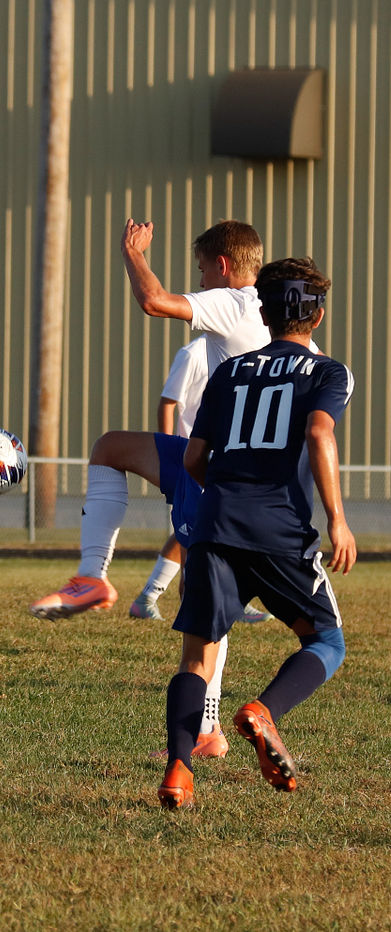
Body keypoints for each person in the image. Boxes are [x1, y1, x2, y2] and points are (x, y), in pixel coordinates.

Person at [30, 219, 271, 756]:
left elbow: (154, 300)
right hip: (208, 458)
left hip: (219, 472)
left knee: (204, 602)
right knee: (110, 448)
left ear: (223, 267)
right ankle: (91, 579)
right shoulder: (269, 315)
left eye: (202, 269)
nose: (200, 281)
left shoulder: (235, 302)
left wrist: (132, 252)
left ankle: (206, 731)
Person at [157, 257, 356, 810]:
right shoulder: (328, 372)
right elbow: (319, 433)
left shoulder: (229, 373)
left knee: (196, 659)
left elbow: (193, 458)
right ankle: (263, 711)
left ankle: (178, 770)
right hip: (280, 528)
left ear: (263, 314)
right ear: (317, 315)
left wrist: (225, 497)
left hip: (216, 524)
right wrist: (338, 519)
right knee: (326, 642)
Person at [128, 333, 272, 628]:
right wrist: (171, 453)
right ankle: (214, 606)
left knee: (196, 531)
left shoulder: (248, 345)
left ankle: (149, 597)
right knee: (201, 533)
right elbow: (168, 403)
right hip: (195, 456)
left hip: (225, 455)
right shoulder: (193, 353)